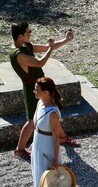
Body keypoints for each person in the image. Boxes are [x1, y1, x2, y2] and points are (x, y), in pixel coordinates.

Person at [23, 77, 91, 187]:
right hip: (39, 145)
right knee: (42, 180)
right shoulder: (40, 103)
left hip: (48, 148)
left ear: (46, 93)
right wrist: (34, 143)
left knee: (52, 181)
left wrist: (55, 158)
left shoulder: (52, 113)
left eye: (37, 90)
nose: (34, 91)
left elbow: (55, 137)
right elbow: (37, 127)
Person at [10, 22, 79, 162]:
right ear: (21, 36)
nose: (30, 33)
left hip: (41, 85)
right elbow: (40, 62)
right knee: (31, 121)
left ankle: (62, 137)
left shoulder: (25, 46)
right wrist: (51, 50)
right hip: (33, 89)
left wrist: (66, 40)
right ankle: (19, 149)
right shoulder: (18, 54)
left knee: (52, 110)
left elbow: (47, 47)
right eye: (28, 32)